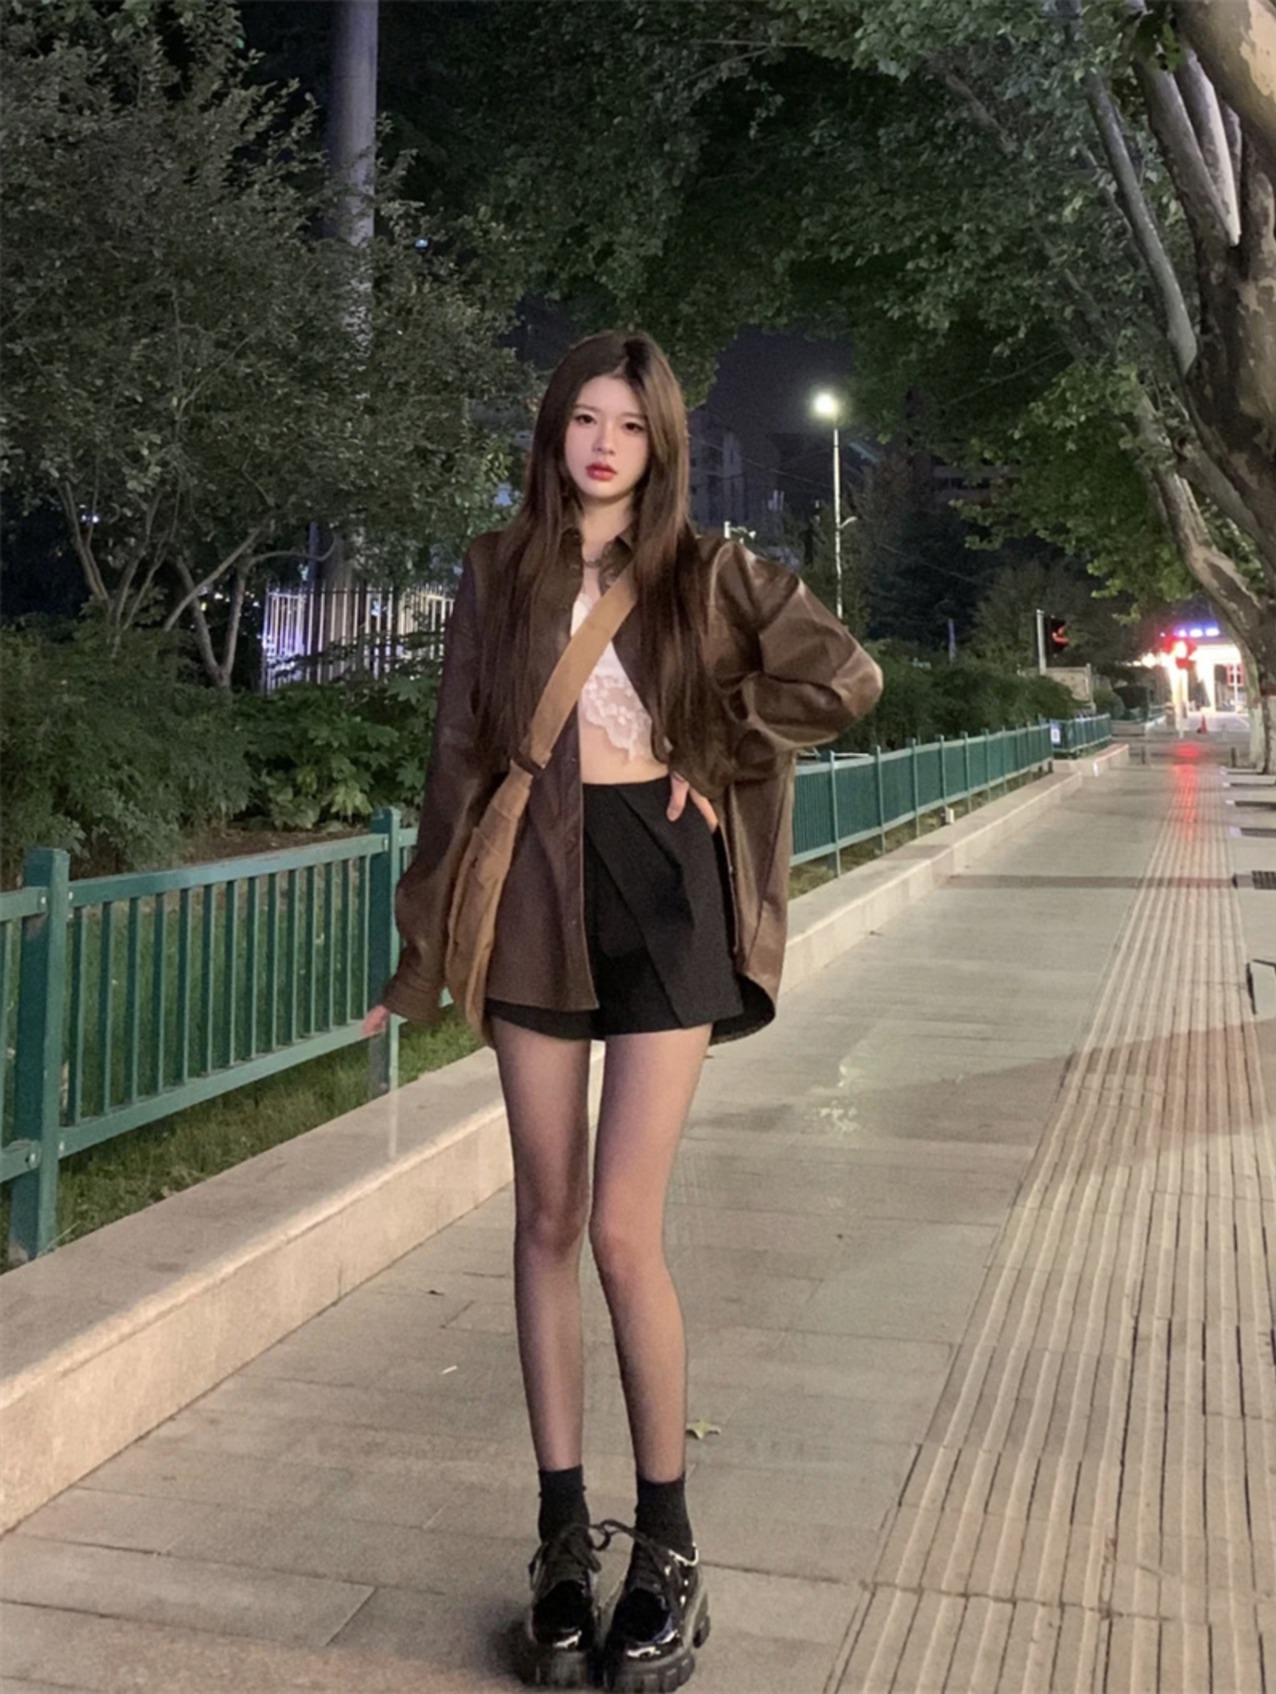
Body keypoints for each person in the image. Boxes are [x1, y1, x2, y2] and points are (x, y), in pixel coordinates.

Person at [364, 330, 882, 1691]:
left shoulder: (710, 571)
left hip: (664, 891)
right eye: (585, 418)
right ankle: (558, 1539)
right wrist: (420, 949)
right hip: (534, 891)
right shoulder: (496, 568)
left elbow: (845, 676)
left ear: (662, 444)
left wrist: (719, 740)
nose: (604, 444)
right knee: (544, 1215)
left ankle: (666, 1547)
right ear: (554, 429)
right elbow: (458, 758)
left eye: (631, 425)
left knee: (620, 1229)